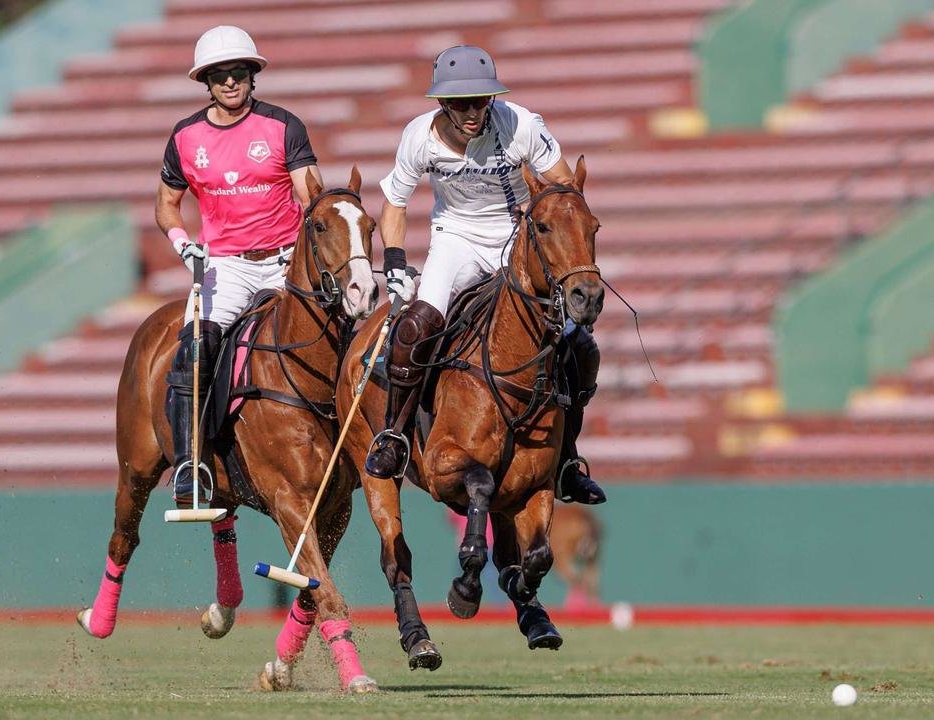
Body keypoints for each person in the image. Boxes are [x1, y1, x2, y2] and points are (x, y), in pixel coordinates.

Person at [364, 45, 605, 505]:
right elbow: (394, 203)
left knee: (579, 345)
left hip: (516, 239)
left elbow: (561, 189)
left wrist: (563, 242)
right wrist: (394, 263)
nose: (472, 113)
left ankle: (568, 460)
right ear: (442, 105)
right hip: (455, 238)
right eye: (461, 104)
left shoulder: (521, 125)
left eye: (480, 102)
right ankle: (394, 436)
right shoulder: (419, 137)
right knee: (415, 327)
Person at [155, 25, 323, 506]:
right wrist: (182, 241)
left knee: (350, 331)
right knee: (195, 347)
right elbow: (167, 203)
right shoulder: (185, 137)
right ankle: (191, 464)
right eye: (220, 75)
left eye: (239, 73)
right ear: (205, 81)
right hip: (226, 264)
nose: (230, 82)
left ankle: (378, 442)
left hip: (287, 260)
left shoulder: (283, 125)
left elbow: (313, 195)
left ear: (253, 76)